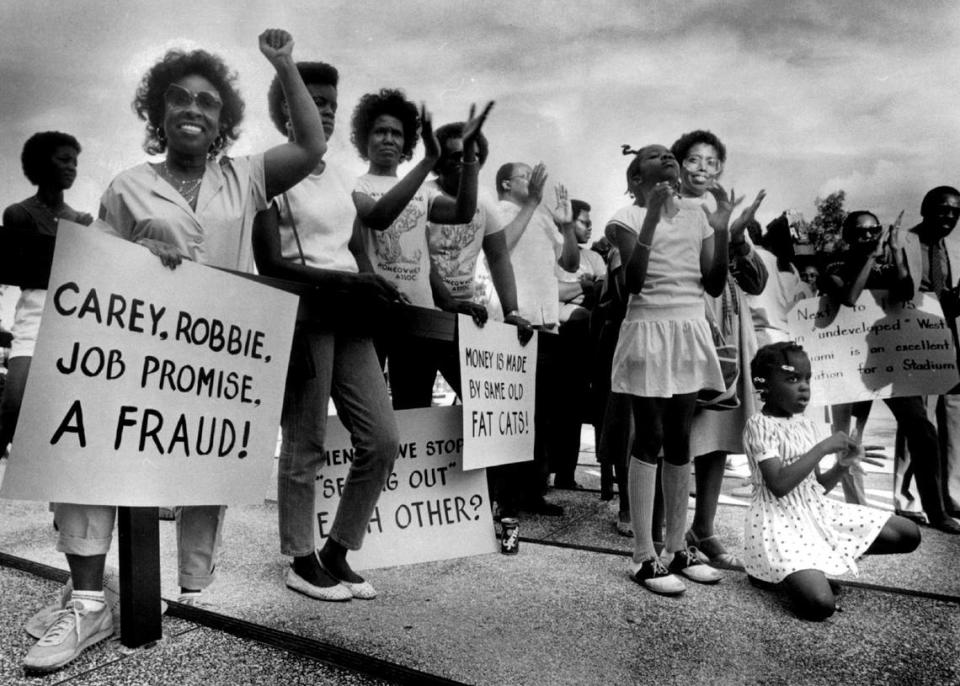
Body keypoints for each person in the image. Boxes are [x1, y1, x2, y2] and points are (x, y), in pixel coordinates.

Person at [23, 29, 326, 674]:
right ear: (158, 113)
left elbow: (310, 144)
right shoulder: (127, 185)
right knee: (89, 460)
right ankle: (84, 601)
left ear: (223, 122)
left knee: (193, 481)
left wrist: (282, 64)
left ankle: (157, 589)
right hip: (126, 360)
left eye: (208, 103)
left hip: (204, 370)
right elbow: (92, 275)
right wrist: (136, 255)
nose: (193, 109)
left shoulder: (244, 179)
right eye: (179, 99)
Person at [253, 61, 405, 602]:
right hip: (304, 313)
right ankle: (299, 557)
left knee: (382, 440)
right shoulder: (266, 174)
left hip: (349, 313)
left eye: (332, 105)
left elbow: (374, 225)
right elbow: (269, 261)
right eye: (314, 100)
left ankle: (337, 550)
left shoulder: (343, 176)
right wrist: (347, 284)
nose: (325, 110)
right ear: (286, 107)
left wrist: (371, 281)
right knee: (307, 438)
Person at [607, 144, 733, 595]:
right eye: (654, 156)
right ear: (636, 180)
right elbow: (632, 285)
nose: (667, 157)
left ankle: (678, 547)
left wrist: (721, 232)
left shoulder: (699, 216)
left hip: (689, 328)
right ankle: (644, 555)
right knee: (650, 435)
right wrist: (651, 219)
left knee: (681, 437)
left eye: (669, 155)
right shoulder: (624, 218)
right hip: (648, 331)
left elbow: (714, 283)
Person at [743, 342, 920, 620]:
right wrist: (822, 448)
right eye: (792, 379)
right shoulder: (759, 425)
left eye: (807, 378)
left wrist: (842, 466)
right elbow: (778, 484)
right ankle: (772, 571)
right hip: (779, 525)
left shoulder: (805, 424)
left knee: (908, 534)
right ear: (764, 386)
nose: (804, 387)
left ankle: (808, 567)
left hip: (816, 515)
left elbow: (817, 487)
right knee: (820, 606)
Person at [818, 209, 960, 534]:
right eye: (860, 233)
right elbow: (850, 297)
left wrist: (895, 252)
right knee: (849, 441)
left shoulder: (885, 266)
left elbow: (906, 291)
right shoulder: (834, 270)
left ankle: (936, 511)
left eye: (873, 232)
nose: (868, 238)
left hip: (889, 366)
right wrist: (870, 258)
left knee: (923, 432)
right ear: (847, 237)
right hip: (849, 371)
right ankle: (860, 513)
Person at [349, 89, 492, 409]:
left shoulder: (423, 195)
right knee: (370, 410)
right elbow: (376, 222)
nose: (388, 139)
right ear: (364, 138)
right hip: (376, 314)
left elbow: (463, 212)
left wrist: (469, 153)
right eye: (380, 131)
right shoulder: (355, 186)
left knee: (412, 406)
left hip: (418, 317)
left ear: (407, 143)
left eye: (396, 133)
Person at [670, 130, 767, 569]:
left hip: (729, 327)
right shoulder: (670, 208)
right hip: (688, 323)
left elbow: (757, 282)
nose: (703, 169)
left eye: (711, 162)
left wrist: (739, 236)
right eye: (693, 160)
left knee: (719, 433)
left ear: (721, 169)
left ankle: (704, 527)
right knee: (682, 431)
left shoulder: (723, 212)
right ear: (678, 165)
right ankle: (668, 530)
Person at [492, 161, 579, 516]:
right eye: (525, 176)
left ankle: (532, 490)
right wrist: (532, 204)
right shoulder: (496, 210)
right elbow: (501, 246)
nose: (533, 181)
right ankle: (504, 493)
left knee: (542, 414)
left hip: (547, 325)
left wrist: (568, 225)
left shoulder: (543, 219)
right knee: (512, 413)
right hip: (514, 323)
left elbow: (570, 264)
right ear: (506, 183)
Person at [0, 132, 93, 460]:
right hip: (35, 314)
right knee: (13, 404)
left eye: (75, 162)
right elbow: (27, 269)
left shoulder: (82, 220)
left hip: (72, 315)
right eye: (64, 159)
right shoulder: (17, 214)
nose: (72, 167)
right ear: (41, 163)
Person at [552, 198, 607, 489]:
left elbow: (601, 292)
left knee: (572, 406)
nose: (589, 227)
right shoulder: (550, 249)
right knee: (551, 407)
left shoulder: (595, 258)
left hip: (581, 339)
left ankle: (566, 473)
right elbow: (549, 291)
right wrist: (583, 287)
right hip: (552, 335)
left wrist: (572, 291)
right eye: (583, 221)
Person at [748, 212, 808, 348]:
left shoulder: (742, 263)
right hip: (786, 336)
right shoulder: (790, 268)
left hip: (756, 338)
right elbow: (799, 302)